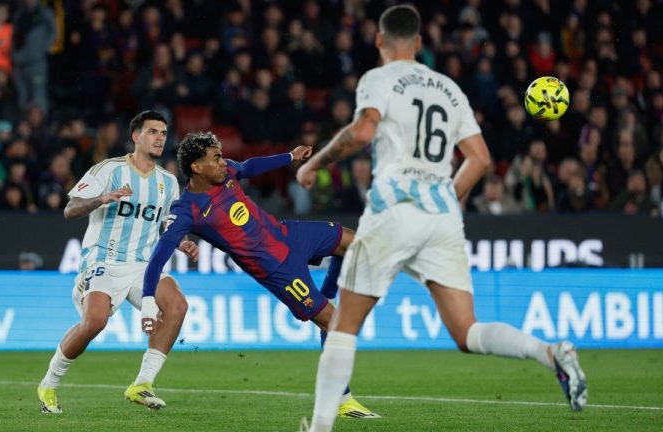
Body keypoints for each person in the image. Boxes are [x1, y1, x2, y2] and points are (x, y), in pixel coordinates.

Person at [295, 5, 588, 431]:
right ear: (418, 43)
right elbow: (480, 159)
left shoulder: (379, 79)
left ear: (379, 40)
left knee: (343, 325)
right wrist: (444, 198)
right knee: (466, 331)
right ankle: (549, 352)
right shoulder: (449, 89)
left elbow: (362, 131)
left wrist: (314, 164)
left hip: (394, 210)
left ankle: (320, 429)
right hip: (441, 218)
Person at [140, 131, 378, 419]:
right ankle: (343, 401)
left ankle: (326, 295)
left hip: (288, 235)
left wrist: (289, 156)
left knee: (353, 244)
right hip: (277, 269)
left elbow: (249, 166)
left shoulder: (226, 171)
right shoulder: (186, 210)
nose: (223, 162)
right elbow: (159, 256)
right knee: (334, 322)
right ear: (197, 167)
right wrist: (148, 299)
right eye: (215, 158)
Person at [37, 111, 198, 413]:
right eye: (153, 132)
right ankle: (48, 384)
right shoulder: (108, 170)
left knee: (177, 305)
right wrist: (101, 199)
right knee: (95, 322)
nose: (160, 138)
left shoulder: (168, 182)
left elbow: (167, 224)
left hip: (143, 264)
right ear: (136, 136)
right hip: (103, 259)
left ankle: (142, 384)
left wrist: (182, 242)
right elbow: (70, 210)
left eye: (163, 133)